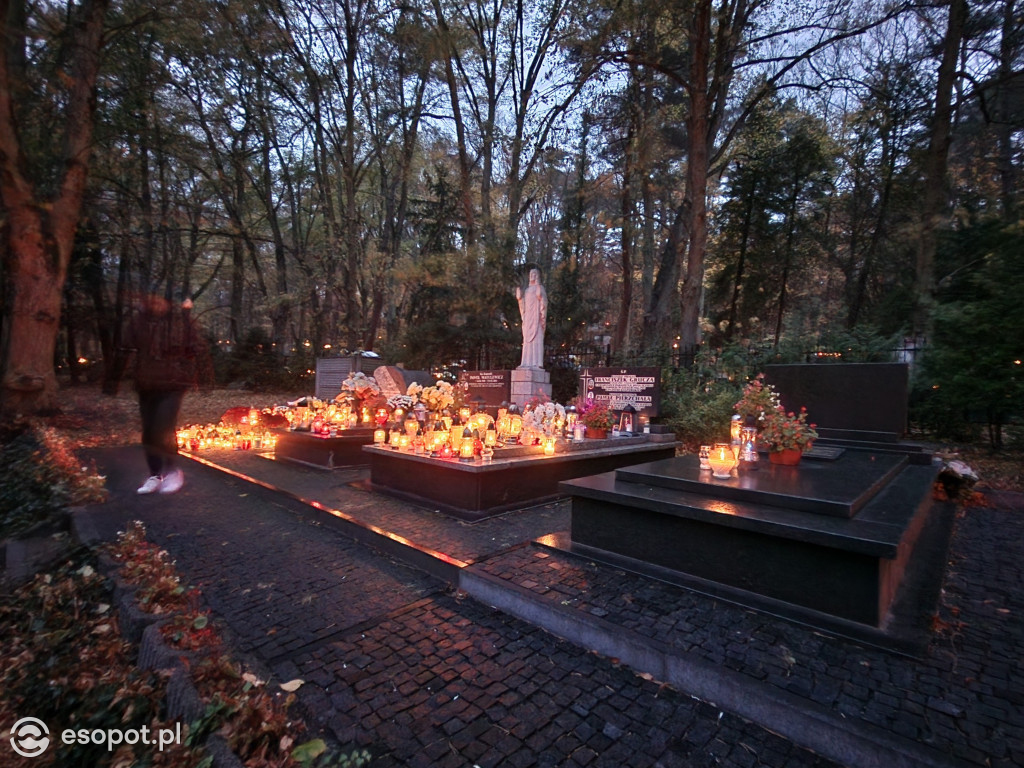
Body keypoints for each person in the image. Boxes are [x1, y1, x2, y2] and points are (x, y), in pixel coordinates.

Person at [125, 292, 209, 494]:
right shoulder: (139, 322)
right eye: (150, 300)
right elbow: (127, 346)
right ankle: (155, 474)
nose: (155, 304)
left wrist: (186, 316)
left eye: (159, 300)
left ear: (167, 302)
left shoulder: (179, 322)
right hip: (146, 383)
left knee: (163, 427)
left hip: (173, 383)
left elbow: (196, 347)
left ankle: (172, 470)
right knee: (149, 431)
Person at [516, 267, 547, 369]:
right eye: (531, 274)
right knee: (526, 341)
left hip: (536, 318)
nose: (532, 276)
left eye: (534, 274)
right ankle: (525, 362)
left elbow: (544, 304)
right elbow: (523, 307)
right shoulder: (527, 290)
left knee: (537, 340)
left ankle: (537, 363)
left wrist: (540, 297)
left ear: (537, 276)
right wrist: (520, 299)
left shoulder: (540, 288)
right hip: (528, 318)